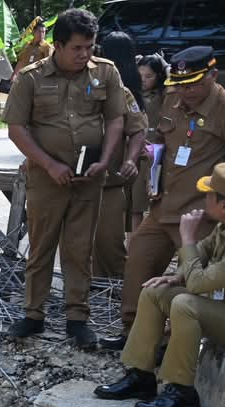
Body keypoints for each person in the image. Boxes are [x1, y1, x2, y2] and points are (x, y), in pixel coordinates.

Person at [94, 163, 225, 407]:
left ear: (224, 205)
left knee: (185, 306)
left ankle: (181, 392)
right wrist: (177, 275)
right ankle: (140, 377)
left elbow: (198, 283)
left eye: (209, 194)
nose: (204, 198)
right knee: (154, 292)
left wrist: (186, 238)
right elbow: (206, 249)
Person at [102, 46, 225, 349]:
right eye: (180, 84)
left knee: (190, 281)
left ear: (213, 75)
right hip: (162, 206)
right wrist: (152, 164)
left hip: (201, 214)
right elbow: (161, 139)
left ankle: (173, 344)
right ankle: (132, 333)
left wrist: (224, 215)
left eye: (193, 84)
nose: (185, 91)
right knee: (138, 263)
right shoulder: (173, 98)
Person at [2, 8, 126, 348]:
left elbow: (116, 119)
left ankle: (77, 319)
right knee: (41, 246)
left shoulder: (105, 73)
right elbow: (16, 128)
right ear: (57, 45)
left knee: (79, 248)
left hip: (89, 178)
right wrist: (48, 164)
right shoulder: (31, 77)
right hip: (46, 178)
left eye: (90, 46)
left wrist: (106, 157)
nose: (85, 54)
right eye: (77, 48)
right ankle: (33, 315)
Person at [91, 32, 147, 280]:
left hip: (109, 183)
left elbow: (138, 129)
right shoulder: (73, 85)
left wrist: (130, 159)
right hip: (73, 180)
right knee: (81, 247)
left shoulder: (121, 91)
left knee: (109, 246)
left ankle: (120, 295)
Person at [130, 55, 168, 231]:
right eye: (140, 75)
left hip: (157, 155)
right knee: (135, 207)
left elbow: (175, 82)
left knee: (156, 200)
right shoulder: (131, 93)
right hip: (137, 154)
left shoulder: (163, 95)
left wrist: (165, 65)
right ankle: (132, 247)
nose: (143, 80)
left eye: (149, 76)